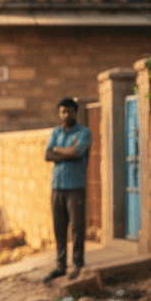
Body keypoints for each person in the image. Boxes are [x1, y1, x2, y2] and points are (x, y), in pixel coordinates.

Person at [43, 97, 91, 283]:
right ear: (59, 113)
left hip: (75, 187)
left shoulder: (84, 133)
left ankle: (78, 263)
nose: (66, 115)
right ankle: (61, 266)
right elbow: (48, 155)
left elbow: (77, 152)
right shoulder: (56, 132)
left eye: (70, 112)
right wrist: (67, 152)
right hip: (57, 187)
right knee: (59, 228)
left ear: (76, 113)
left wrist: (58, 151)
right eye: (63, 112)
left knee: (77, 228)